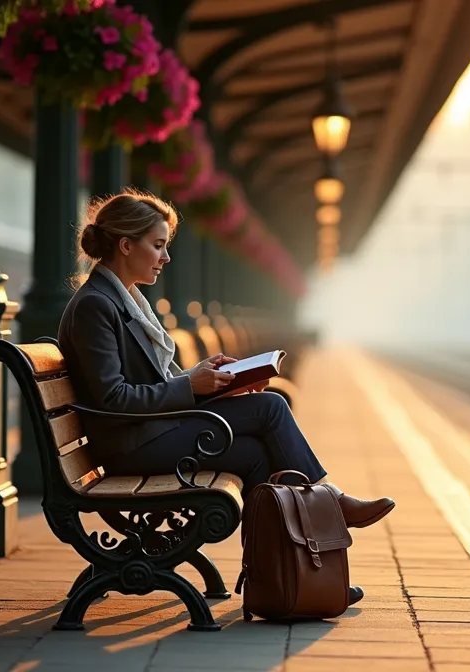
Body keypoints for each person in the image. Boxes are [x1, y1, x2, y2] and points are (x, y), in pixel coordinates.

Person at [56, 188, 394, 606]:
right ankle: (329, 510)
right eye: (158, 246)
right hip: (131, 446)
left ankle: (280, 581)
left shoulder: (123, 300)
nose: (166, 258)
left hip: (149, 433)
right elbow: (113, 398)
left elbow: (149, 381)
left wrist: (218, 381)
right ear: (126, 245)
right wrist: (190, 386)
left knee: (258, 453)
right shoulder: (96, 306)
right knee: (271, 407)